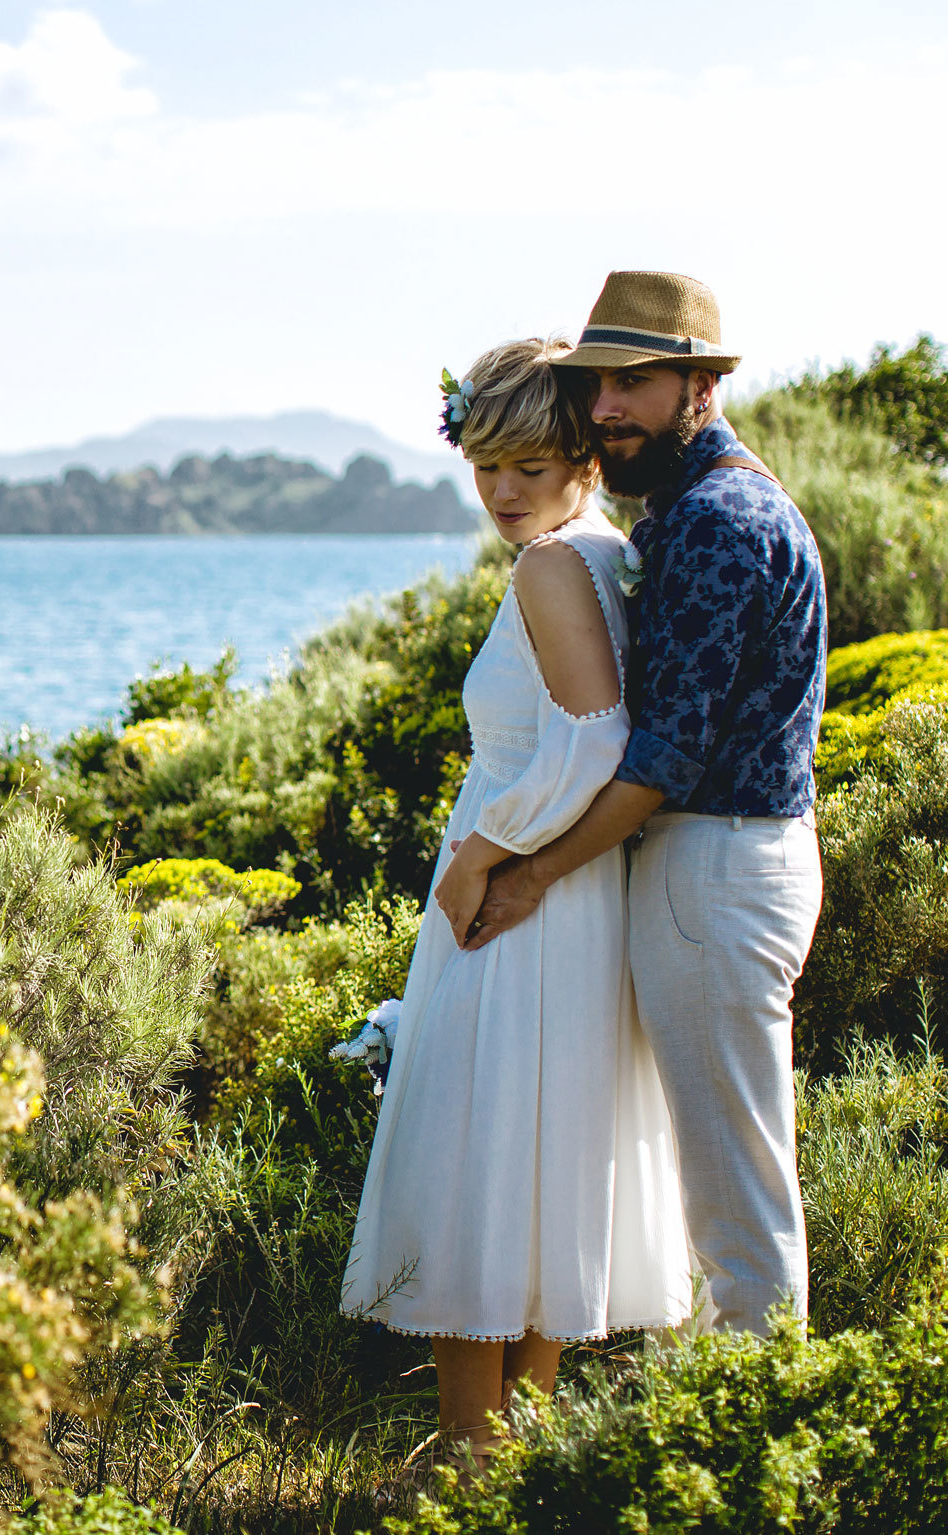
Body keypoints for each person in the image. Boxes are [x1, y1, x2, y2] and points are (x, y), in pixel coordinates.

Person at [341, 336, 691, 1468]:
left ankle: (464, 1454)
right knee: (535, 1155)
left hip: (519, 892)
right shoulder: (600, 551)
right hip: (567, 893)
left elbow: (595, 739)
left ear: (582, 457)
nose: (502, 492)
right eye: (488, 464)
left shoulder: (552, 566)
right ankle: (515, 1454)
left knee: (472, 1147)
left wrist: (480, 852)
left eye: (531, 467)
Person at [468, 270, 829, 1338]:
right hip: (722, 864)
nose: (608, 407)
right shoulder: (705, 503)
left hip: (713, 869)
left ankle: (759, 1445)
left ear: (699, 383)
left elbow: (658, 759)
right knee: (726, 1167)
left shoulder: (717, 521)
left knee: (734, 1189)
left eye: (634, 383)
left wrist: (525, 869)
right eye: (598, 386)